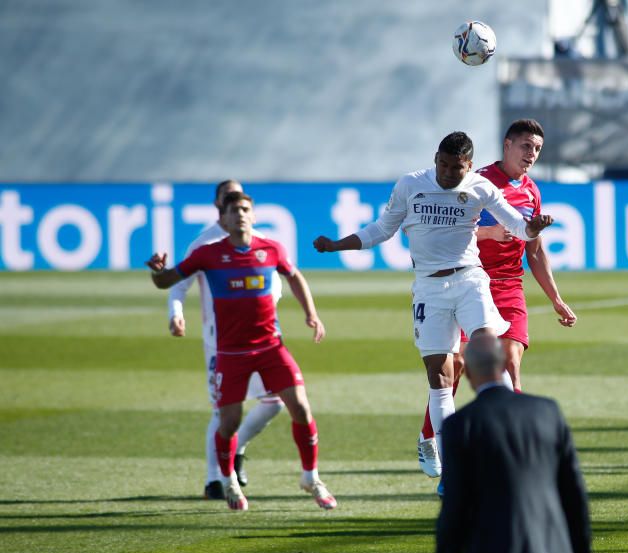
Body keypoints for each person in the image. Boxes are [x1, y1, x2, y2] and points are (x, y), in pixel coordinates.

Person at [312, 131, 553, 490]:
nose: (447, 172)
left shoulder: (481, 187)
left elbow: (518, 226)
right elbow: (382, 229)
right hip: (428, 287)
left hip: (471, 281)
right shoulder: (411, 184)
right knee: (440, 378)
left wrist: (532, 227)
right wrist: (336, 245)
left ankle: (506, 446)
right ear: (435, 157)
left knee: (491, 354)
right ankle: (451, 464)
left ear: (469, 166)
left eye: (456, 167)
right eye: (442, 163)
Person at [147, 192, 336, 512]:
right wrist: (157, 271)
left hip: (271, 346)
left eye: (245, 210)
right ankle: (228, 480)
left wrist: (311, 313)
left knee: (301, 408)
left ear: (253, 215)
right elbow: (168, 281)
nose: (240, 215)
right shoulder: (207, 254)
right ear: (223, 219)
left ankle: (311, 477)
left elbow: (294, 276)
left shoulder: (271, 248)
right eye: (233, 211)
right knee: (229, 421)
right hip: (231, 353)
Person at [414, 119, 577, 479]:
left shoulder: (532, 192)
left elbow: (534, 252)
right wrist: (489, 232)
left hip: (509, 286)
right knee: (455, 364)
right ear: (507, 145)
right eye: (525, 146)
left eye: (536, 148)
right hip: (469, 280)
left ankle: (511, 451)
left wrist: (556, 298)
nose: (531, 154)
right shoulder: (476, 182)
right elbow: (446, 228)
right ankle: (430, 437)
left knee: (511, 364)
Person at [434, 334, 592, 553]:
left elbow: (455, 505)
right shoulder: (546, 411)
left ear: (470, 374)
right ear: (505, 366)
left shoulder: (459, 425)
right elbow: (572, 490)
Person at [168, 180, 283, 500]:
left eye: (241, 200)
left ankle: (236, 449)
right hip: (220, 340)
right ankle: (213, 480)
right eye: (228, 200)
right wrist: (175, 313)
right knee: (223, 411)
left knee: (274, 403)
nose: (236, 207)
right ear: (219, 206)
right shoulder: (204, 244)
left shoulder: (259, 241)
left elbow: (278, 279)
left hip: (262, 335)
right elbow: (178, 284)